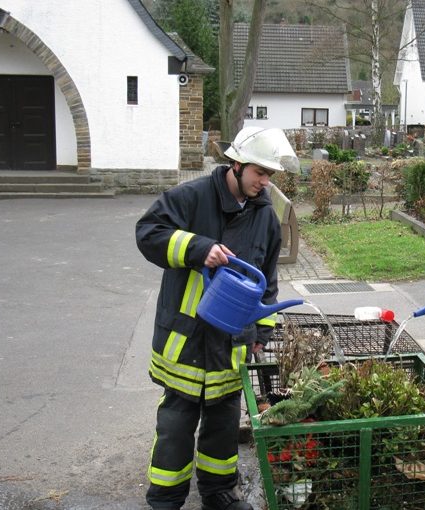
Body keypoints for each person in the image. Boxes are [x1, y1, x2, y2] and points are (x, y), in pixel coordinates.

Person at [135, 127, 300, 510]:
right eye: (260, 172)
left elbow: (268, 281)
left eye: (270, 174)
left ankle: (220, 494)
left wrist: (261, 330)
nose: (265, 181)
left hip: (231, 345)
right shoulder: (191, 197)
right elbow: (148, 232)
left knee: (223, 427)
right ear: (237, 163)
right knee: (176, 428)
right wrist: (197, 247)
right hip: (185, 341)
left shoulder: (265, 218)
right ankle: (165, 499)